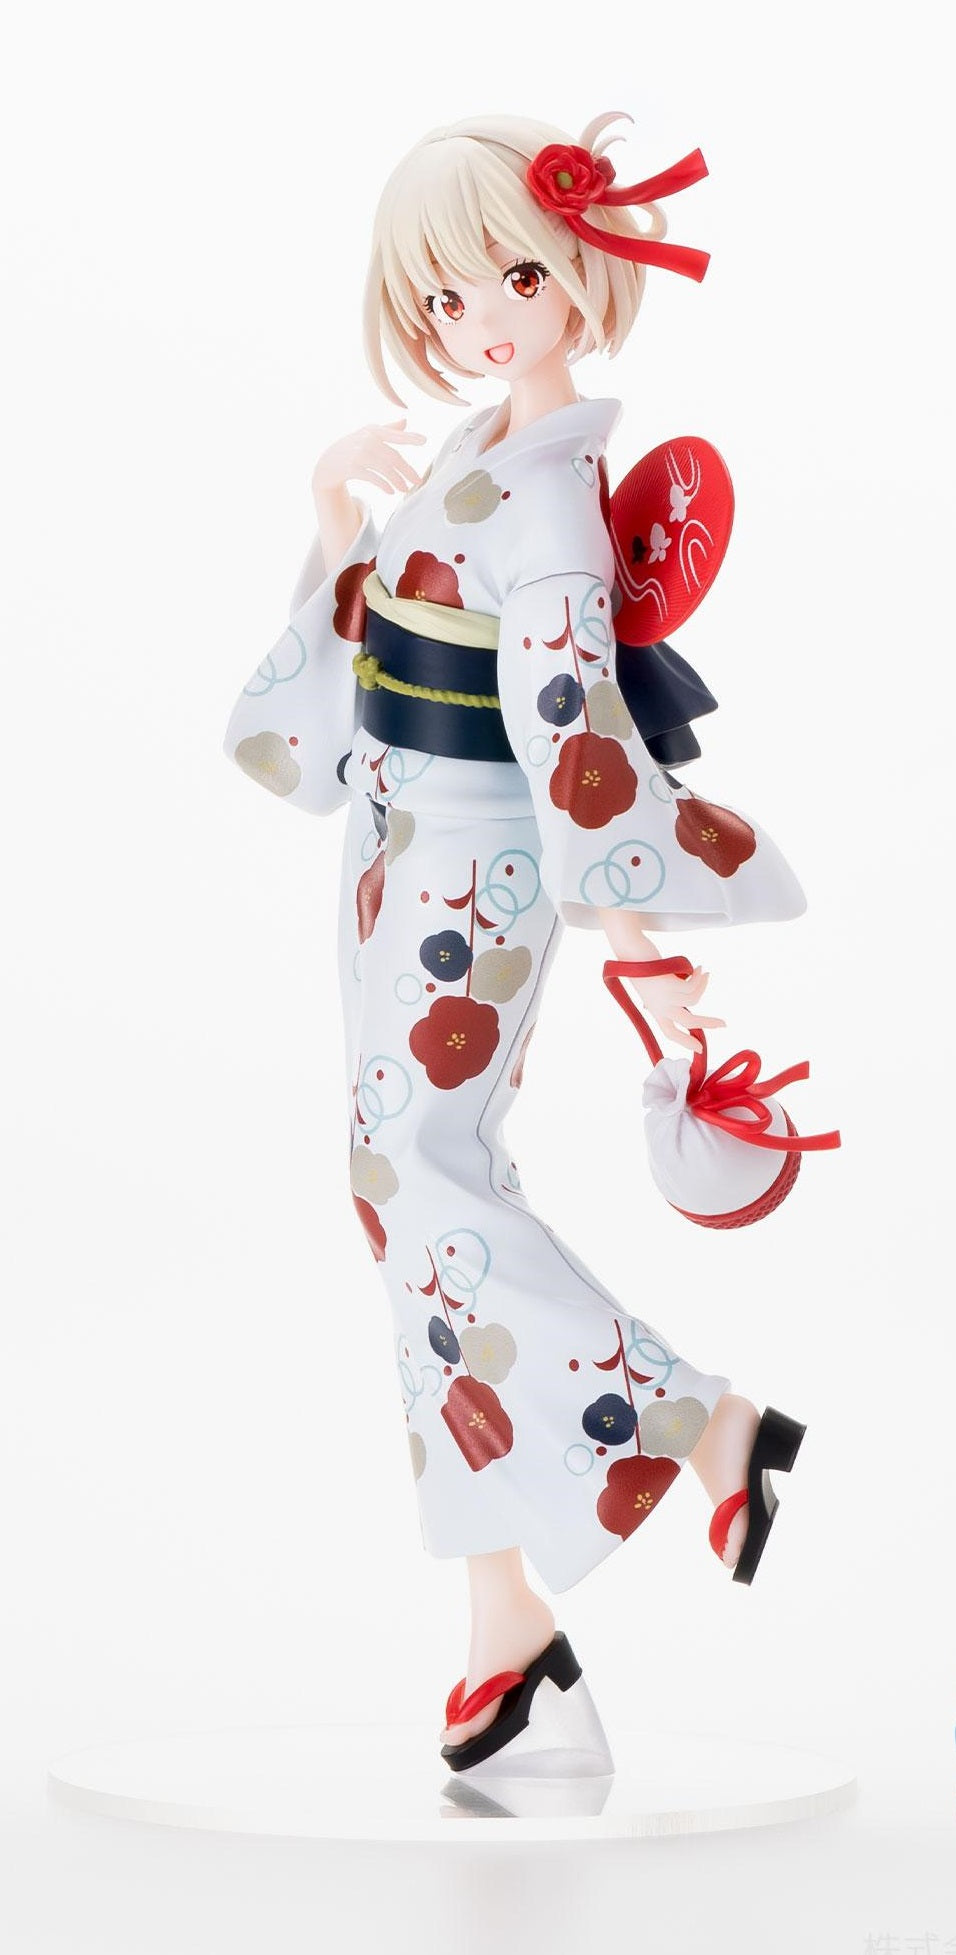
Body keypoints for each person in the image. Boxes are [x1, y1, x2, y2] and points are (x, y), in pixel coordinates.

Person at [224, 110, 809, 1774]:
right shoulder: (487, 448)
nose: (481, 320)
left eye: (516, 280)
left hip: (479, 865)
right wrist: (332, 514)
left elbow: (576, 740)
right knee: (396, 1190)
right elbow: (385, 630)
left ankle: (704, 1425)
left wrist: (636, 945)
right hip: (394, 845)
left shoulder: (548, 501)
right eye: (442, 297)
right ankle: (507, 1629)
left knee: (424, 1177)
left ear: (581, 276)